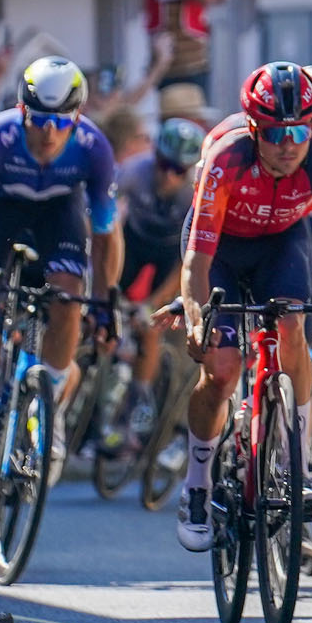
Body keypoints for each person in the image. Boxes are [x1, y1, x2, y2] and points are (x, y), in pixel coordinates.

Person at [0, 59, 123, 541]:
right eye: (39, 118)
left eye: (61, 121)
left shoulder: (94, 148)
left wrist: (105, 302)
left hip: (58, 215)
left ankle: (45, 410)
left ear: (77, 117)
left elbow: (106, 236)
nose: (49, 132)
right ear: (21, 109)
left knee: (70, 298)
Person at [172, 64, 312, 553]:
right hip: (221, 250)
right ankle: (197, 484)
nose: (288, 145)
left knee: (292, 328)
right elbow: (197, 260)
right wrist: (196, 319)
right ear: (254, 129)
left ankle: (297, 462)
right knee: (221, 370)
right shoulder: (226, 157)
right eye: (276, 133)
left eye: (300, 131)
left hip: (281, 243)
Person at [111, 115, 208, 430]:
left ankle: (139, 400)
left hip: (171, 253)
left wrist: (153, 303)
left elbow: (188, 259)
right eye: (163, 165)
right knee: (103, 300)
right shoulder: (133, 172)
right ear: (154, 157)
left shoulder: (194, 192)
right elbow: (107, 227)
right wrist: (106, 289)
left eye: (178, 170)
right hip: (133, 242)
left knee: (151, 324)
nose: (168, 175)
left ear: (189, 170)